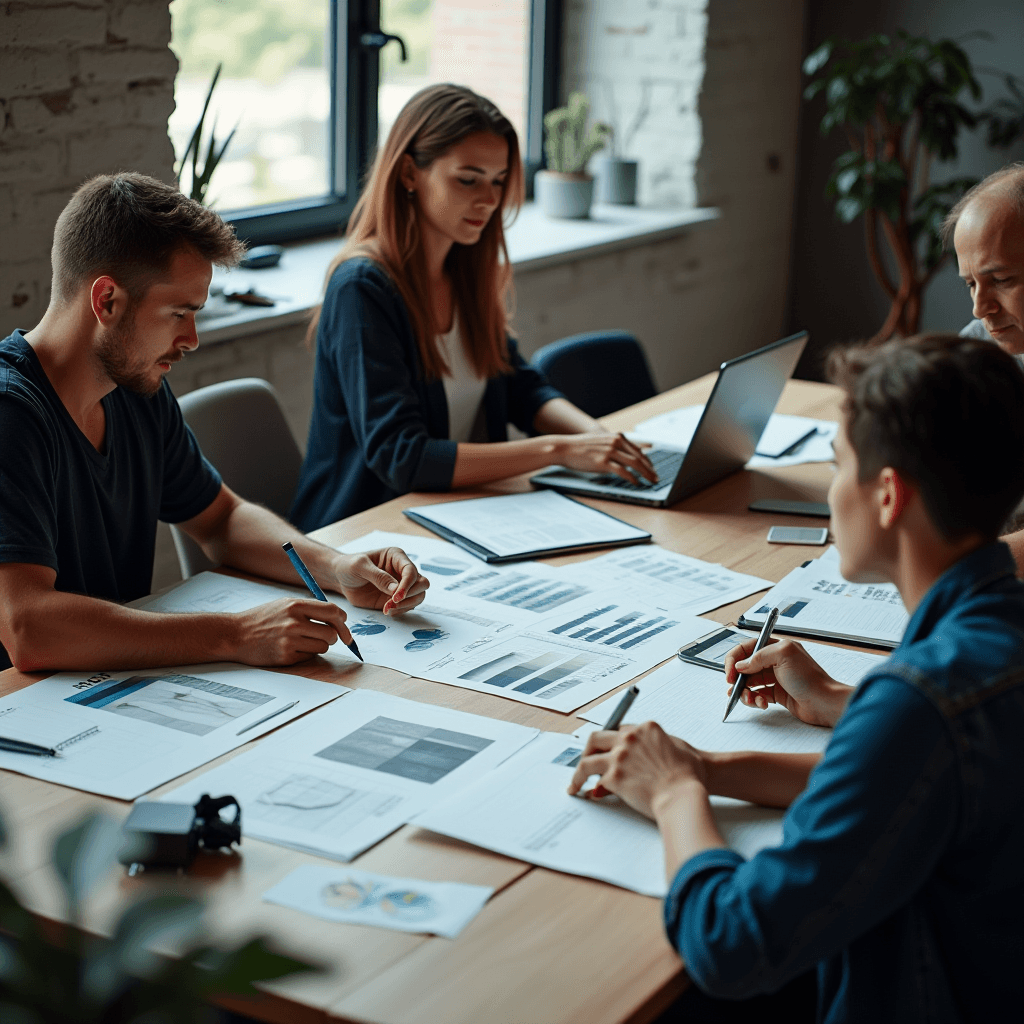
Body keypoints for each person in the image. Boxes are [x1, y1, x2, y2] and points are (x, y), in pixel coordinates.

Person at [568, 334, 1024, 1022]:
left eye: (839, 466)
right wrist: (708, 766)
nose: (831, 489)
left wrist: (673, 794)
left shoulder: (918, 702)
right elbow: (910, 785)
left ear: (888, 495)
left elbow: (731, 945)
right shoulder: (992, 641)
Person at [0, 173, 429, 674]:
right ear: (107, 301)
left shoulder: (135, 390)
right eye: (179, 312)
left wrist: (335, 567)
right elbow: (28, 627)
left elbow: (222, 518)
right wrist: (238, 633)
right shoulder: (12, 414)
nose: (192, 338)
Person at [289, 84, 656, 530]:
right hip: (366, 534)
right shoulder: (363, 287)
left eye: (499, 181)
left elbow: (520, 385)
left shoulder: (464, 268)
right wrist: (560, 450)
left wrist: (597, 437)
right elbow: (402, 457)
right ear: (409, 173)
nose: (489, 200)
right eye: (468, 179)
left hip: (461, 513)